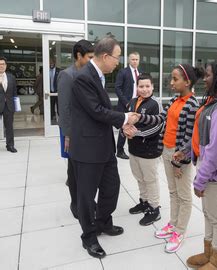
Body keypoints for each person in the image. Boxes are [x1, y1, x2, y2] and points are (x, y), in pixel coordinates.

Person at [69, 37, 138, 259]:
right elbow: (96, 111)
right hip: (88, 149)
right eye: (117, 57)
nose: (118, 63)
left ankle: (103, 222)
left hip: (104, 146)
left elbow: (101, 112)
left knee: (112, 188)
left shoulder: (97, 76)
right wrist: (126, 117)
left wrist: (122, 124)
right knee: (87, 197)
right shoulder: (83, 78)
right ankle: (88, 237)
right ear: (106, 56)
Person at [174, 59, 217, 269]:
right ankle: (209, 253)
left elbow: (216, 150)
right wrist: (186, 149)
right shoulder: (212, 103)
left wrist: (200, 179)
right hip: (208, 168)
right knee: (209, 214)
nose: (205, 79)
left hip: (216, 173)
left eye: (209, 75)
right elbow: (200, 135)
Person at [133, 63, 203, 253]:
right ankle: (172, 224)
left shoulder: (192, 104)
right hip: (166, 150)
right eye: (171, 78)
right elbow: (159, 119)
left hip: (179, 156)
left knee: (184, 195)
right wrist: (138, 117)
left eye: (175, 79)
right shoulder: (173, 100)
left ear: (187, 82)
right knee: (172, 192)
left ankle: (180, 231)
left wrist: (179, 162)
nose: (171, 83)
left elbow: (189, 138)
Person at [57, 39, 94, 219]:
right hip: (73, 132)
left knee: (85, 171)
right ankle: (75, 204)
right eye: (89, 57)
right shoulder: (67, 75)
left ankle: (87, 202)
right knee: (74, 171)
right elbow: (63, 109)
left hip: (88, 132)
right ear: (78, 56)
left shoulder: (90, 73)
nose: (92, 60)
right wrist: (68, 135)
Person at [126, 73, 164, 226]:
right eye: (141, 86)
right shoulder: (133, 101)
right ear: (137, 87)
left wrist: (136, 133)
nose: (144, 89)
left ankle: (154, 209)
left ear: (153, 87)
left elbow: (158, 126)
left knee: (150, 180)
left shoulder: (155, 103)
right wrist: (124, 130)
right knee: (139, 178)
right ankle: (144, 202)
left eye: (147, 86)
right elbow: (126, 119)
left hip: (149, 150)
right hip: (134, 149)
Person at [115, 51, 141, 159]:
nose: (135, 61)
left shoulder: (140, 73)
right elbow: (117, 88)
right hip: (125, 105)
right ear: (129, 60)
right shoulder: (123, 72)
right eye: (133, 59)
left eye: (136, 59)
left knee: (135, 127)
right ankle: (120, 151)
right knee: (123, 128)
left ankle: (134, 149)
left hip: (137, 104)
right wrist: (126, 102)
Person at [0, 56, 18, 153]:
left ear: (6, 66)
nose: (1, 66)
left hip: (9, 106)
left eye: (3, 64)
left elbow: (15, 92)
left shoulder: (11, 77)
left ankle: (10, 145)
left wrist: (16, 106)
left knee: (9, 127)